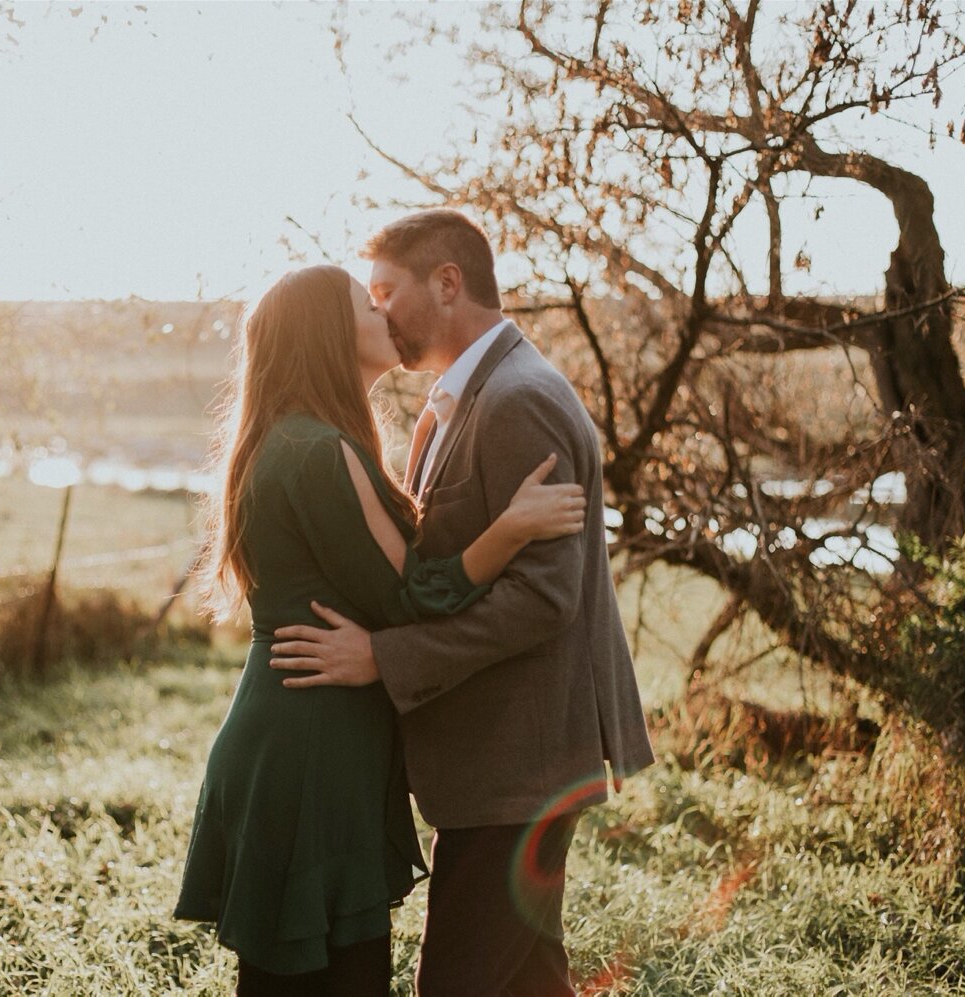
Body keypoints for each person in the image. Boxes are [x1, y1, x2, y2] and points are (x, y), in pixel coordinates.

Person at [172, 263, 588, 996]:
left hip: (301, 735)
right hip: (312, 747)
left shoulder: (292, 440)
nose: (385, 311)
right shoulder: (317, 452)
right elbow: (417, 595)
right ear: (329, 333)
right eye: (368, 304)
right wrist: (510, 527)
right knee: (329, 978)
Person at [269, 210, 657, 996]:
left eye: (385, 290)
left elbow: (544, 598)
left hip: (521, 759)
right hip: (502, 761)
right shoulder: (462, 399)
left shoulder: (517, 399)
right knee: (528, 981)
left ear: (448, 283)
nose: (377, 312)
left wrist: (384, 657)